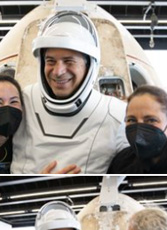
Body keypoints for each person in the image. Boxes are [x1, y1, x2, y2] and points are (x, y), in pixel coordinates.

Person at [11, 11, 129, 174]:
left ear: (89, 66)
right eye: (50, 61)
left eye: (69, 61)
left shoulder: (116, 114)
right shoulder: (22, 100)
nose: (58, 71)